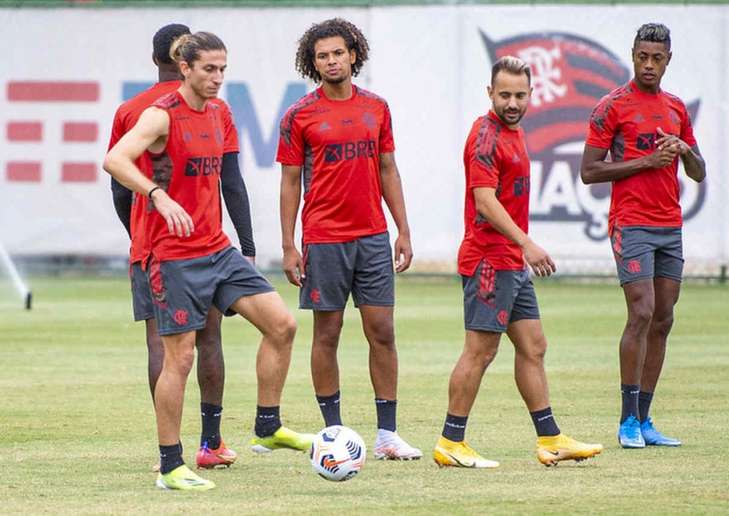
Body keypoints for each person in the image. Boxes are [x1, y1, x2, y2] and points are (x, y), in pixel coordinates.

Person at [104, 31, 312, 491]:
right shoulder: (161, 116)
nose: (217, 78)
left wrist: (245, 243)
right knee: (178, 358)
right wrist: (156, 195)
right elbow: (116, 160)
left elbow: (228, 179)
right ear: (185, 68)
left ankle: (268, 426)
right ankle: (171, 465)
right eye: (208, 69)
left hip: (217, 249)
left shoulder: (220, 113)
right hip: (173, 256)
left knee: (282, 324)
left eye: (222, 69)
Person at [433, 56, 603, 469]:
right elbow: (484, 201)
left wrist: (520, 251)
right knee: (480, 351)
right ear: (489, 92)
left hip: (510, 262)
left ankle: (550, 438)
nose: (512, 102)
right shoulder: (486, 136)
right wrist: (527, 243)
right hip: (490, 261)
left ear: (531, 95)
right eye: (504, 94)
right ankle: (450, 441)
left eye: (520, 95)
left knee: (533, 346)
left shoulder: (514, 131)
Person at [109, 23, 254, 471]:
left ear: (156, 60)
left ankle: (166, 451)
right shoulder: (213, 108)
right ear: (185, 60)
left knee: (163, 346)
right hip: (205, 244)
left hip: (152, 248)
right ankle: (210, 442)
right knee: (209, 340)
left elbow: (118, 188)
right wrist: (246, 244)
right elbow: (231, 179)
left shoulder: (131, 110)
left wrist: (138, 237)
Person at [277, 18, 421, 460]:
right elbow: (289, 182)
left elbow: (387, 170)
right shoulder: (299, 115)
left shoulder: (377, 107)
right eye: (322, 55)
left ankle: (387, 435)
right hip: (324, 239)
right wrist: (289, 244)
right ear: (312, 63)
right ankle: (334, 432)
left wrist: (403, 229)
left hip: (373, 238)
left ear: (353, 54)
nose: (331, 61)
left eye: (338, 52)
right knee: (329, 332)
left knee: (382, 331)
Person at [581, 23, 706, 449]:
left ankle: (646, 418)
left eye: (657, 58)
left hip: (669, 225)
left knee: (664, 318)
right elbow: (589, 171)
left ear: (668, 60)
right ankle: (626, 421)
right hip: (630, 222)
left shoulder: (675, 109)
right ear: (632, 55)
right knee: (642, 312)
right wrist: (649, 160)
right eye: (642, 57)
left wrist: (686, 151)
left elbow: (699, 172)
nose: (648, 65)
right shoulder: (612, 106)